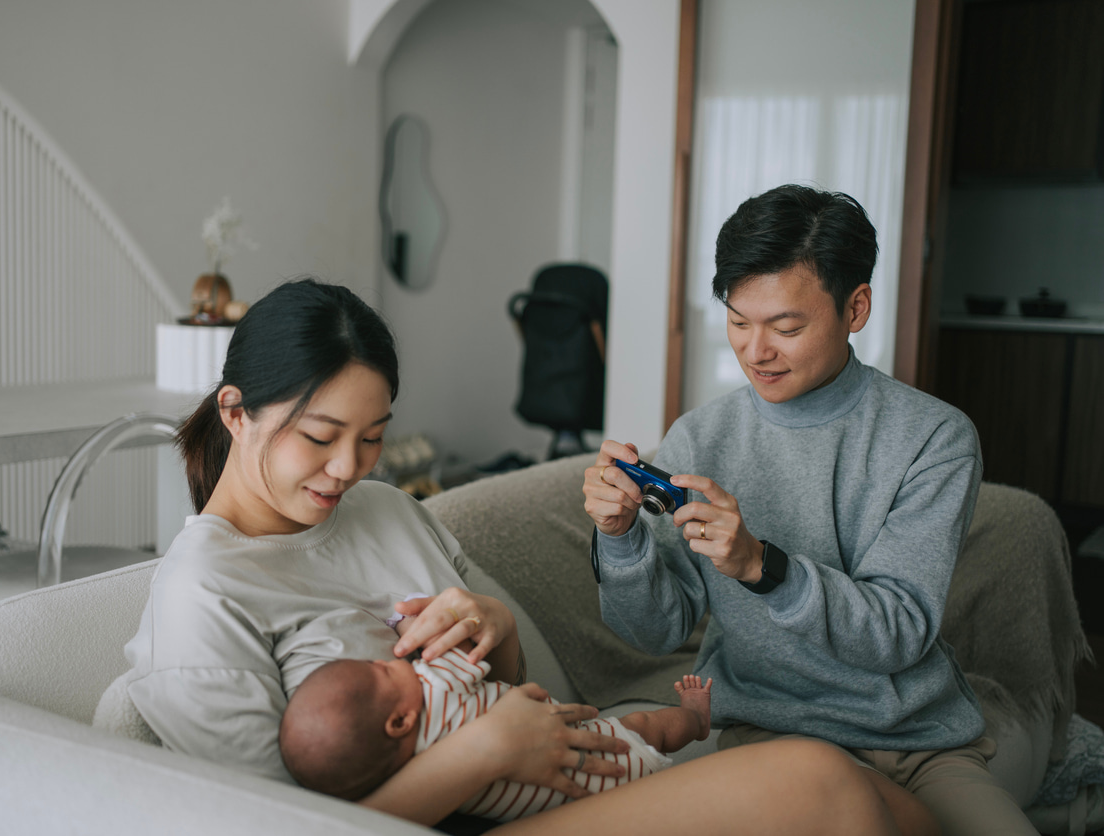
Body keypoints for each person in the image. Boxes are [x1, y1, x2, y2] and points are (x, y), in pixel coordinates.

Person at [114, 275, 911, 835]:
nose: (349, 470)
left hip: (555, 781)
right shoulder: (201, 600)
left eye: (373, 439)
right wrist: (481, 753)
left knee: (892, 805)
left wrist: (500, 630)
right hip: (454, 823)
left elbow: (538, 698)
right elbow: (289, 833)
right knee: (823, 784)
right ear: (236, 413)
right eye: (320, 438)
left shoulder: (387, 511)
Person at [584, 183, 1032, 836]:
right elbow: (653, 631)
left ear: (856, 307)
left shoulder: (934, 438)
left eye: (786, 326)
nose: (755, 350)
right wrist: (620, 538)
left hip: (911, 740)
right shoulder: (699, 438)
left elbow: (899, 630)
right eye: (738, 321)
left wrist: (762, 566)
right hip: (763, 731)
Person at [278, 643, 712, 820]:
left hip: (569, 804)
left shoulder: (415, 769)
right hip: (603, 749)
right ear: (400, 721)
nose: (389, 661)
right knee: (646, 726)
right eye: (379, 670)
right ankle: (694, 720)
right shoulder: (437, 692)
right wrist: (409, 631)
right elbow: (466, 654)